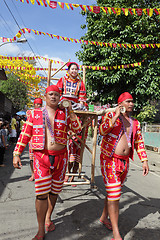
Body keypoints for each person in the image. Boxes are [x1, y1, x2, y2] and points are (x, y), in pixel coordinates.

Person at [13, 85, 82, 240]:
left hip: (61, 158)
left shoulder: (64, 113)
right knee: (41, 195)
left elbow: (77, 128)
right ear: (45, 96)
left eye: (57, 95)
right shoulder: (34, 114)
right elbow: (25, 134)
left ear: (60, 97)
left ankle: (48, 218)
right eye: (51, 94)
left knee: (54, 192)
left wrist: (70, 110)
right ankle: (40, 230)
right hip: (41, 158)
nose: (54, 97)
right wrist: (16, 153)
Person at [99, 92, 149, 240]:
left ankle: (103, 218)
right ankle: (116, 233)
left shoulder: (135, 123)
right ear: (120, 104)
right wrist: (114, 115)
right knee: (115, 194)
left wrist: (144, 160)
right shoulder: (110, 116)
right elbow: (102, 131)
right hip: (109, 159)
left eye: (132, 101)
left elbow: (138, 142)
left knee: (112, 192)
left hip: (125, 162)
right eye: (128, 101)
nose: (131, 104)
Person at [57, 62, 87, 184]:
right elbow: (57, 93)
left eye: (76, 69)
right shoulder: (62, 80)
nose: (74, 71)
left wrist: (80, 106)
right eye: (72, 69)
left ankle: (73, 175)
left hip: (75, 109)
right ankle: (64, 174)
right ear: (68, 70)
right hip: (63, 106)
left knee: (77, 147)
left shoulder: (80, 83)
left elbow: (82, 98)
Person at [27, 98, 43, 181]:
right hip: (32, 139)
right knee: (31, 158)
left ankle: (39, 174)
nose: (39, 106)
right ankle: (33, 174)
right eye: (37, 104)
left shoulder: (44, 112)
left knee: (41, 158)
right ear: (34, 104)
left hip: (41, 139)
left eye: (40, 104)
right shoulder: (30, 113)